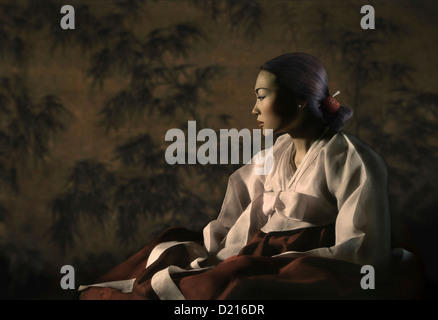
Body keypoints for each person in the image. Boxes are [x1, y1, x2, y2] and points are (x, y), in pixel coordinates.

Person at [78, 53, 417, 300]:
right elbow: (233, 221)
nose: (254, 109)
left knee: (233, 286)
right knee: (166, 253)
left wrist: (277, 260)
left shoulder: (351, 159)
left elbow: (362, 251)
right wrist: (212, 254)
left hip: (309, 267)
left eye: (261, 96)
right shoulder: (272, 156)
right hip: (255, 252)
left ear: (300, 100)